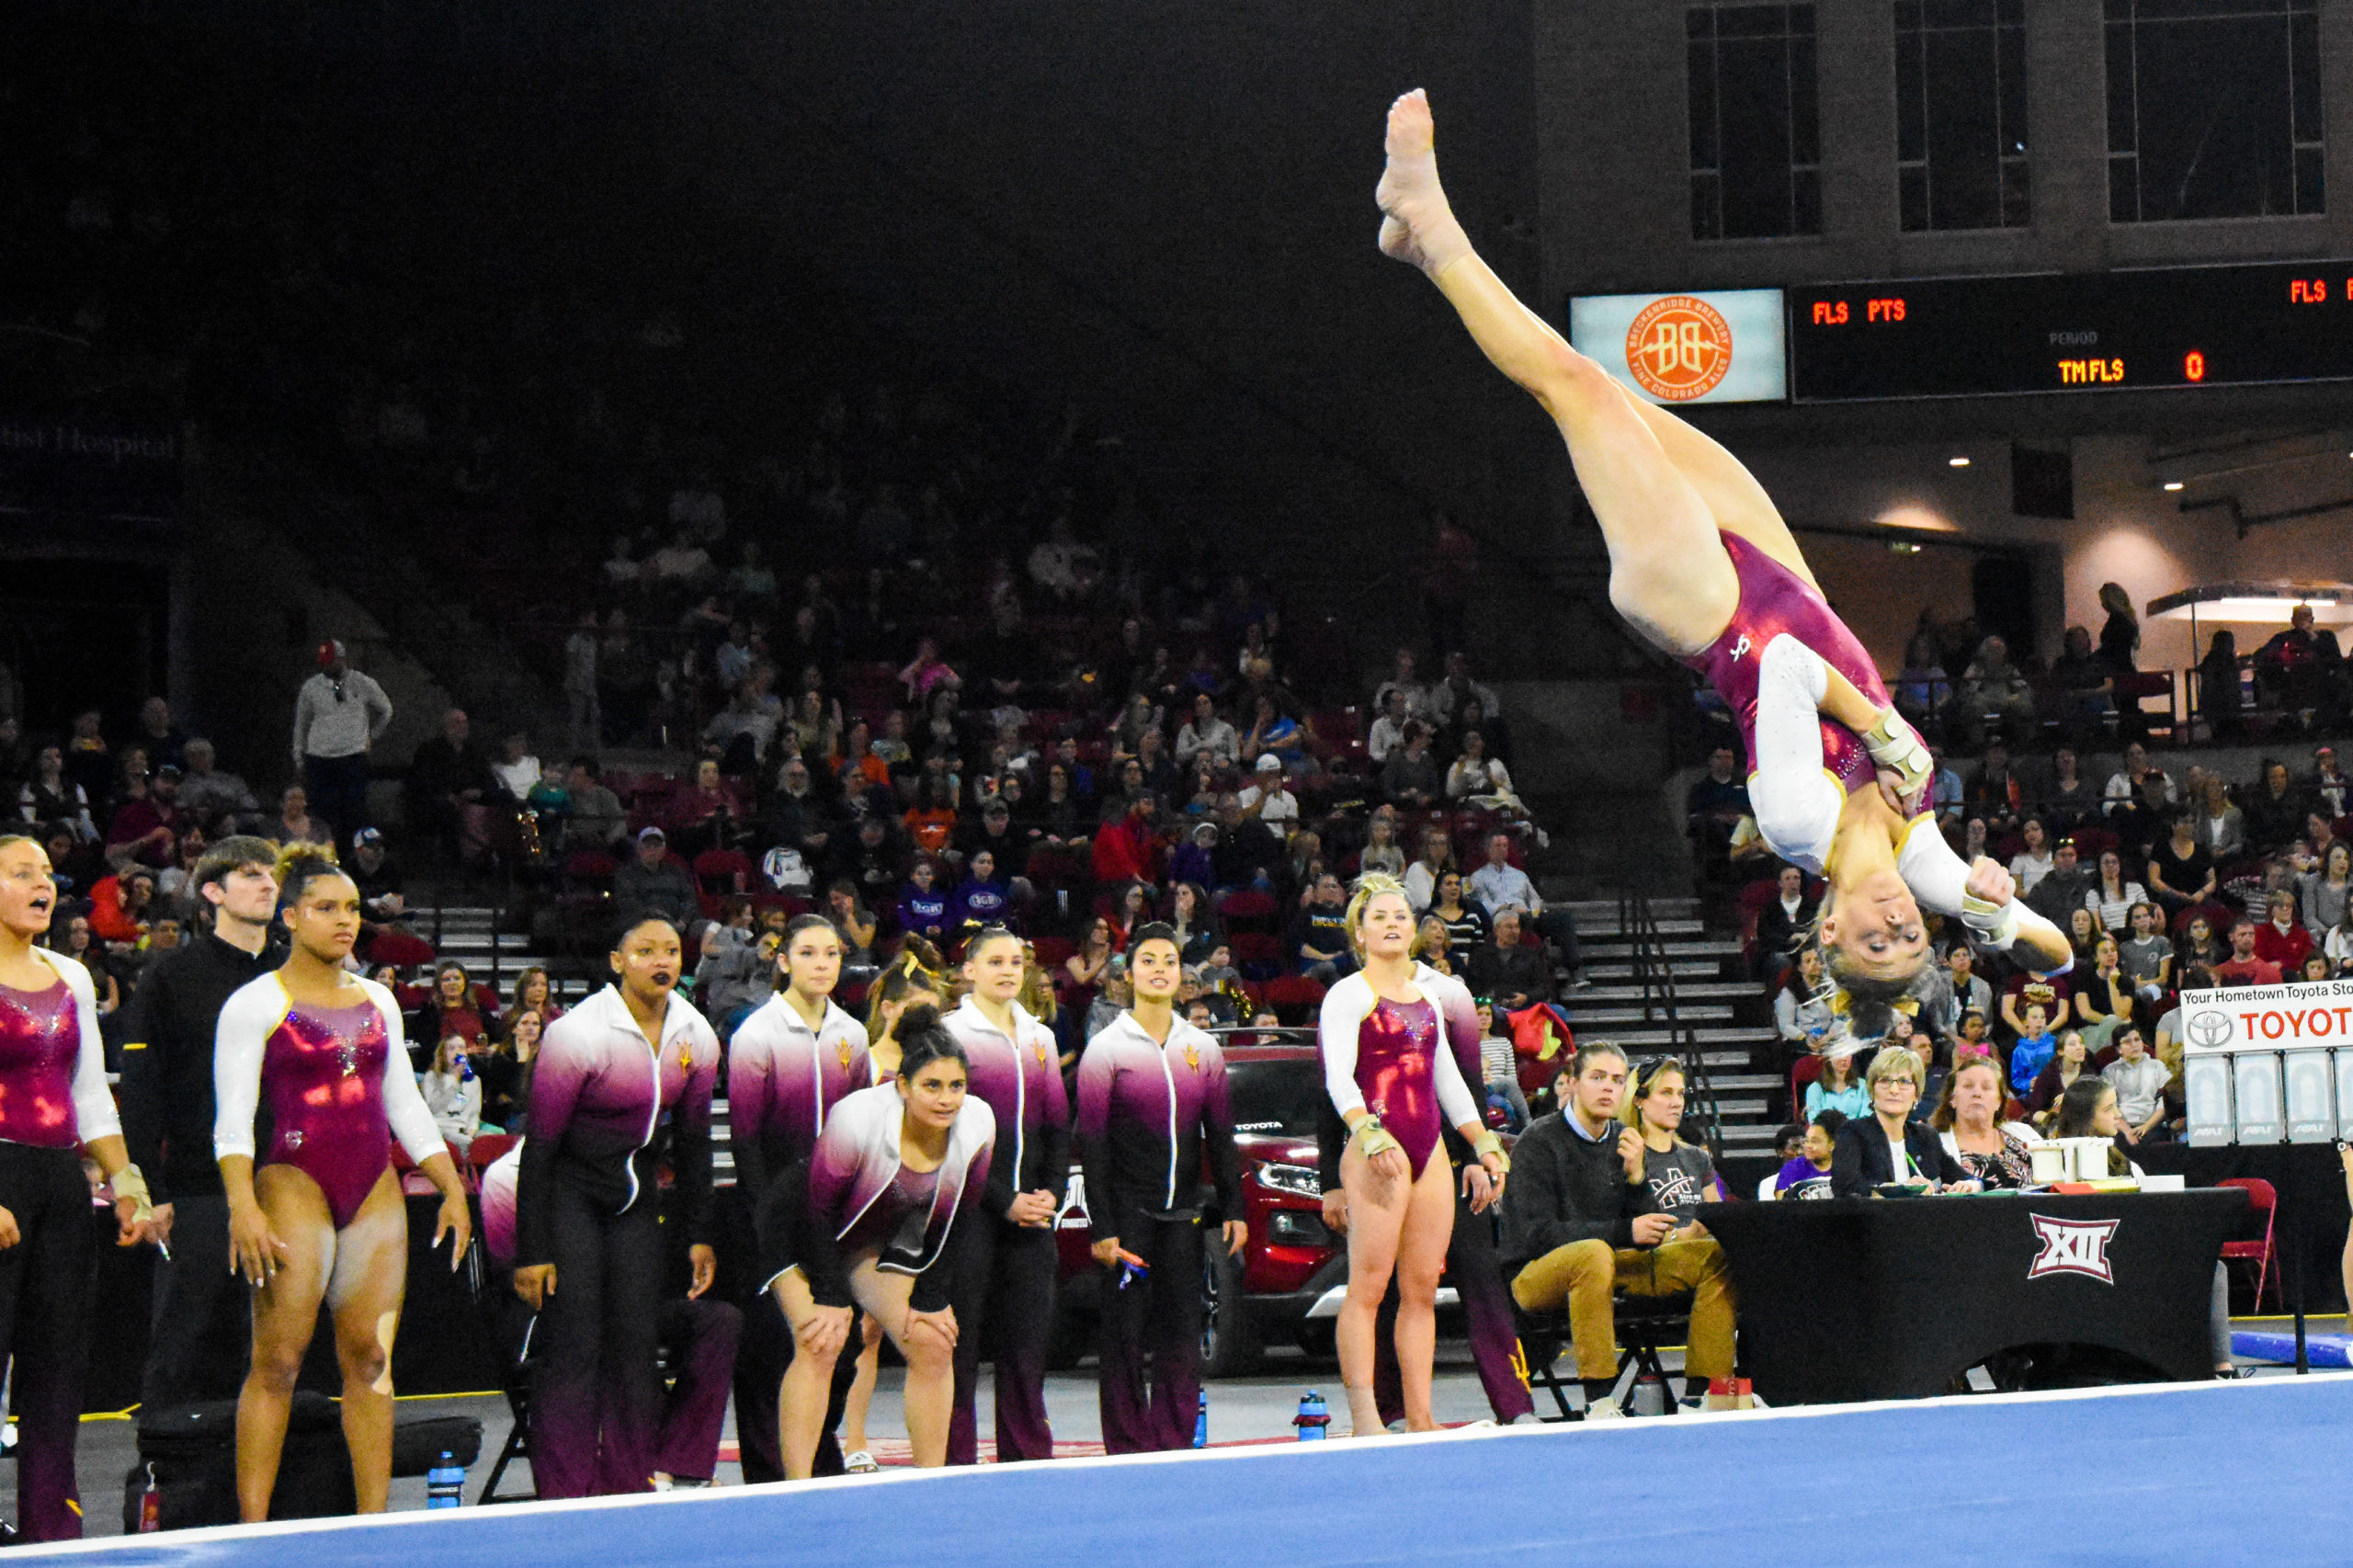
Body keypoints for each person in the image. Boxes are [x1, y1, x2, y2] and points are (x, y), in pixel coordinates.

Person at [1375, 95, 2067, 1003]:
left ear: (1827, 928)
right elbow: (2052, 949)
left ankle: (1433, 226)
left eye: (1874, 944)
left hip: (1703, 606)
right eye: (1912, 941)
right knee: (1615, 398)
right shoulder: (1923, 854)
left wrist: (1879, 729)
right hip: (1784, 577)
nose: (1899, 925)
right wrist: (1994, 908)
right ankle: (1417, 244)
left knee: (1577, 388)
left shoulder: (1795, 819)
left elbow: (1783, 666)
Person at [213, 847, 468, 1522]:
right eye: (326, 907)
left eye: (353, 907)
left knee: (371, 1358)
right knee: (279, 1362)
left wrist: (450, 1185)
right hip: (292, 1180)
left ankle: (374, 1524)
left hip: (372, 1183)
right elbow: (232, 1121)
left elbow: (405, 1104)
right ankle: (253, 1529)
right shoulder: (256, 1003)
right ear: (290, 917)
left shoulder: (380, 999)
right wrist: (242, 1205)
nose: (344, 920)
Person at [513, 912, 721, 1497]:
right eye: (647, 950)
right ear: (618, 961)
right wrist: (533, 1250)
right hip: (571, 1197)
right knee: (575, 1344)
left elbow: (697, 1141)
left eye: (672, 952)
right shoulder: (577, 1034)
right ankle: (564, 1492)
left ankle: (628, 1482)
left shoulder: (695, 1034)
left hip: (636, 1204)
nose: (662, 961)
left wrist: (698, 1233)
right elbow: (542, 1149)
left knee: (634, 1347)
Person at [0, 835, 157, 1540]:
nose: (43, 884)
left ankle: (48, 1531)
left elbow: (89, 1094)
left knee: (58, 1363)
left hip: (61, 1182)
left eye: (45, 873)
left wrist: (128, 1184)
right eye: (21, 872)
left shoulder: (71, 974)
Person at [764, 1006, 992, 1477]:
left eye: (957, 1086)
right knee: (823, 1341)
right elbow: (815, 1211)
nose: (947, 1099)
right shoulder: (856, 1118)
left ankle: (931, 1482)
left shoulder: (978, 1125)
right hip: (793, 1230)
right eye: (932, 1086)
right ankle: (795, 1491)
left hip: (866, 1238)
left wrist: (932, 1297)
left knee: (931, 1342)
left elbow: (959, 1217)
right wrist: (828, 1297)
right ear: (902, 1086)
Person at [1317, 872, 1506, 1436]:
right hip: (1378, 1147)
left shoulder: (1429, 997)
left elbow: (1446, 1079)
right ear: (1360, 930)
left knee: (1422, 1290)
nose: (1393, 924)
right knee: (1369, 1287)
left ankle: (1421, 1415)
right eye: (1380, 917)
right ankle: (1365, 1417)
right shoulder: (1347, 994)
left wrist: (1483, 1139)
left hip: (1428, 1154)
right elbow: (1337, 1078)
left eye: (1401, 916)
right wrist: (1366, 1132)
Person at [120, 835, 283, 1407]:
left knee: (279, 1355)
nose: (269, 884)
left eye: (273, 874)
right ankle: (160, 1489)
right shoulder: (169, 975)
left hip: (289, 1186)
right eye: (252, 874)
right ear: (212, 891)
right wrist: (150, 1190)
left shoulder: (298, 971)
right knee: (182, 1352)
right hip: (196, 1190)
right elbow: (142, 1091)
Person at [1074, 924, 1244, 1452]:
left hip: (1184, 1215)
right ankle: (1126, 1442)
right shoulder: (1105, 1050)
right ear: (1129, 974)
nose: (1158, 970)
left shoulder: (1202, 1047)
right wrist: (1102, 1228)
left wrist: (1234, 1209)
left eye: (1168, 961)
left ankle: (1172, 1438)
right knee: (1124, 1334)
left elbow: (1219, 1134)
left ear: (1180, 974)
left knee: (1180, 1331)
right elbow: (1094, 1144)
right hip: (1129, 1217)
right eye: (1147, 961)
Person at [1498, 1044, 1731, 1419]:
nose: (1608, 1088)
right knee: (1594, 1252)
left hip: (1611, 1263)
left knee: (1716, 1254)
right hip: (1534, 1274)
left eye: (1618, 1080)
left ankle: (1700, 1396)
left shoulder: (1626, 1138)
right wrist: (1624, 1230)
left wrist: (1638, 1178)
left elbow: (1644, 1230)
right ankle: (1599, 1400)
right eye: (1597, 1078)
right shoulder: (1538, 1142)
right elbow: (1535, 1235)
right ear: (1572, 1083)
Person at [729, 915, 869, 1479]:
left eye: (831, 954)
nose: (821, 964)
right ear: (783, 961)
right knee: (777, 1347)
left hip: (835, 1217)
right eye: (808, 953)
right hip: (773, 1213)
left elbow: (859, 1126)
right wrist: (771, 1228)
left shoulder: (851, 1035)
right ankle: (774, 1473)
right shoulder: (755, 1035)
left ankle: (820, 1446)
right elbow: (745, 1138)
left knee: (843, 1345)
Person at [941, 926, 1069, 1465]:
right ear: (969, 970)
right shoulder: (949, 1036)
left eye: (1016, 961)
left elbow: (1058, 1126)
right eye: (995, 961)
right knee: (961, 1345)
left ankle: (1027, 1456)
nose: (1008, 970)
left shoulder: (1039, 1036)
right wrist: (1002, 1200)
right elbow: (943, 1135)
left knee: (1026, 1344)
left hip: (1031, 1213)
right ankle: (953, 1457)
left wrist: (1051, 1195)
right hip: (968, 1213)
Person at [1620, 1056, 1736, 1404]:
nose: (1676, 1102)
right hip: (1644, 1258)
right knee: (1722, 1258)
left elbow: (1716, 1216)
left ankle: (1750, 1382)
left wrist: (1704, 1228)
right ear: (1639, 1099)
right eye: (1665, 1092)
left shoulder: (1696, 1158)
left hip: (1696, 1255)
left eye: (1681, 1093)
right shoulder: (1624, 1150)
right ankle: (1704, 1392)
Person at [290, 641, 393, 843]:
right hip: (320, 758)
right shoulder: (311, 687)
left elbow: (386, 709)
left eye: (332, 662)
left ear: (343, 659)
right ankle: (323, 855)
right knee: (321, 814)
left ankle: (352, 860)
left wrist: (371, 736)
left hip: (353, 756)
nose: (328, 667)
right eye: (324, 663)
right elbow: (301, 724)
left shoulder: (362, 683)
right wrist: (299, 757)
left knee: (354, 813)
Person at [1830, 1047, 1964, 1195]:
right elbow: (1845, 1187)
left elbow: (1962, 1177)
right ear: (1872, 1091)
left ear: (1916, 1094)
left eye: (1904, 1081)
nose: (1894, 1090)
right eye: (1885, 1080)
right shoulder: (1853, 1132)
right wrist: (1902, 1189)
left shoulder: (1926, 1136)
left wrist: (1972, 1183)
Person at [1933, 1054, 2031, 1187]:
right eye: (1968, 1086)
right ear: (1952, 1099)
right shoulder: (1937, 1146)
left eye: (1986, 1087)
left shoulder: (2024, 1133)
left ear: (1999, 1101)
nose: (1977, 1093)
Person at [613, 826, 700, 930]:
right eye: (648, 845)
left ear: (664, 851)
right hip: (643, 926)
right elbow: (630, 904)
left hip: (681, 924)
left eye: (657, 845)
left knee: (712, 928)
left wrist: (683, 920)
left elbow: (689, 899)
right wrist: (661, 920)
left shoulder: (676, 872)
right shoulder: (627, 874)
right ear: (639, 850)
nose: (652, 849)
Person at [2104, 1028, 2172, 1143]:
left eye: (2137, 1040)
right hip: (2121, 1127)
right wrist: (2127, 1132)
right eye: (2127, 1042)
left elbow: (2166, 1100)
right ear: (2119, 1049)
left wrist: (2147, 1126)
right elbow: (2109, 1106)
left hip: (2152, 1125)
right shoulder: (2110, 1071)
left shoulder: (2157, 1066)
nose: (2134, 1045)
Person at [422, 1034, 483, 1150]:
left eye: (461, 1048)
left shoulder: (474, 1081)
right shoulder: (432, 1077)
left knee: (492, 1140)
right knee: (466, 1143)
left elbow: (474, 1113)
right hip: (441, 1129)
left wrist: (471, 1133)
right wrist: (454, 1079)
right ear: (443, 1054)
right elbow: (434, 1108)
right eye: (452, 1048)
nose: (457, 1052)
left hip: (463, 1131)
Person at [1775, 948, 1836, 1054]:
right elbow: (1785, 1026)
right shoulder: (1789, 992)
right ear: (1800, 968)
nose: (1814, 964)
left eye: (1816, 960)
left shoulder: (1830, 988)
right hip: (1801, 1042)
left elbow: (1841, 1017)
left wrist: (1830, 1035)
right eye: (1808, 961)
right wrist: (1805, 1038)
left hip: (1828, 1039)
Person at [1773, 1111, 1843, 1199]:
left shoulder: (1851, 1168)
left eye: (1815, 1141)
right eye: (1807, 1140)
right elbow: (1781, 1205)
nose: (1808, 1146)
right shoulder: (1792, 1168)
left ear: (1832, 1144)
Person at [2255, 888, 2316, 971]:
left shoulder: (2303, 934)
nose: (2285, 909)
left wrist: (2282, 964)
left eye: (2288, 905)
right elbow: (2259, 960)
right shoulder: (2260, 932)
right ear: (2272, 910)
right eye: (2280, 905)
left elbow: (2307, 962)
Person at [1805, 1047, 1870, 1120]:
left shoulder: (1863, 1085)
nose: (1844, 1058)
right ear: (1828, 1058)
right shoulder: (1815, 1089)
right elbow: (1814, 1120)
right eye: (1839, 1054)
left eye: (1848, 1054)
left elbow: (1866, 1117)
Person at [2214, 919, 2284, 986]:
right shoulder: (2218, 972)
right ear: (2231, 937)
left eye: (2251, 934)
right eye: (2243, 934)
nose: (2248, 938)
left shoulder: (2270, 972)